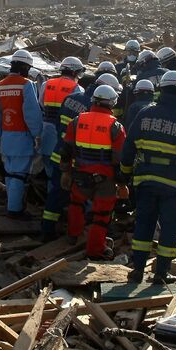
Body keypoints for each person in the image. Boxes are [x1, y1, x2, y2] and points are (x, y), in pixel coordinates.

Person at [121, 71, 176, 284]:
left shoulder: (144, 115)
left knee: (143, 224)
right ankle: (161, 273)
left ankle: (138, 269)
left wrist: (123, 175)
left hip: (146, 180)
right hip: (174, 184)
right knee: (169, 227)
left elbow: (128, 147)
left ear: (161, 90)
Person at [57, 85, 127, 259]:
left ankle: (73, 236)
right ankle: (95, 250)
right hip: (105, 179)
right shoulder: (116, 127)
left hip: (79, 174)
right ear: (112, 103)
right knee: (101, 216)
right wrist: (123, 184)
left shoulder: (77, 120)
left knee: (76, 205)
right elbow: (120, 160)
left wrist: (65, 172)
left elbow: (66, 150)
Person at [0, 49, 43, 219]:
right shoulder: (26, 85)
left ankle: (12, 206)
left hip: (6, 137)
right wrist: (37, 134)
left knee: (11, 173)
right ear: (25, 67)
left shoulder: (0, 86)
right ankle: (15, 210)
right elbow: (31, 113)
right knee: (19, 175)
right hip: (22, 137)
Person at [38, 56, 85, 236]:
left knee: (50, 170)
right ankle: (58, 212)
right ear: (75, 72)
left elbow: (41, 104)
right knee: (60, 179)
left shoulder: (47, 84)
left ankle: (48, 206)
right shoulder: (76, 89)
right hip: (63, 134)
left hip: (46, 129)